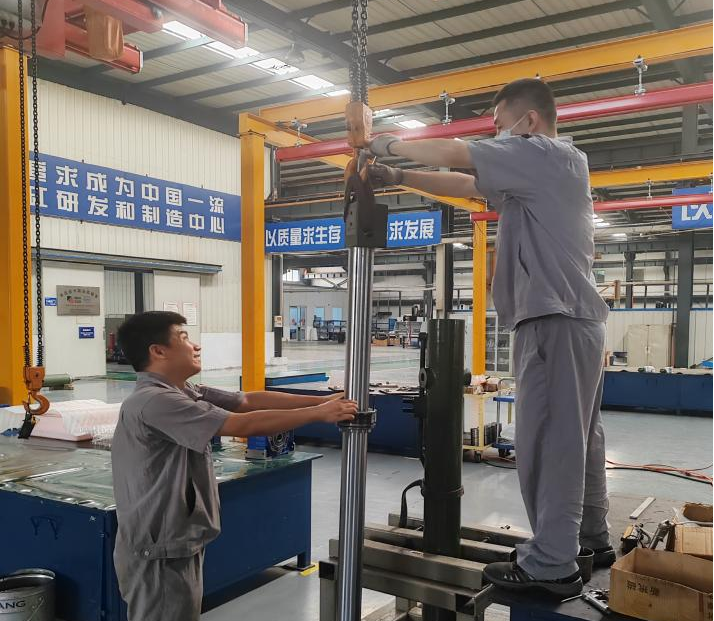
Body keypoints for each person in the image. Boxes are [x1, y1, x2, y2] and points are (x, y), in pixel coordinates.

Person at [367, 78, 613, 598]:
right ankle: (591, 538)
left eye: (500, 126)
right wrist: (399, 175)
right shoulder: (546, 172)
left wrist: (385, 144)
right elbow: (467, 183)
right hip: (574, 321)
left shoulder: (543, 153)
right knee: (580, 436)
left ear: (530, 122)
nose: (496, 135)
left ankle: (552, 564)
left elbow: (461, 154)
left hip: (552, 319)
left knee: (549, 441)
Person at [112, 311, 357, 621]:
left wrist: (323, 402)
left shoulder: (182, 390)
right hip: (159, 549)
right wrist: (319, 415)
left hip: (172, 542)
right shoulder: (156, 401)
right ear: (158, 351)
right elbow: (242, 423)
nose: (196, 345)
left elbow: (247, 401)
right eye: (184, 338)